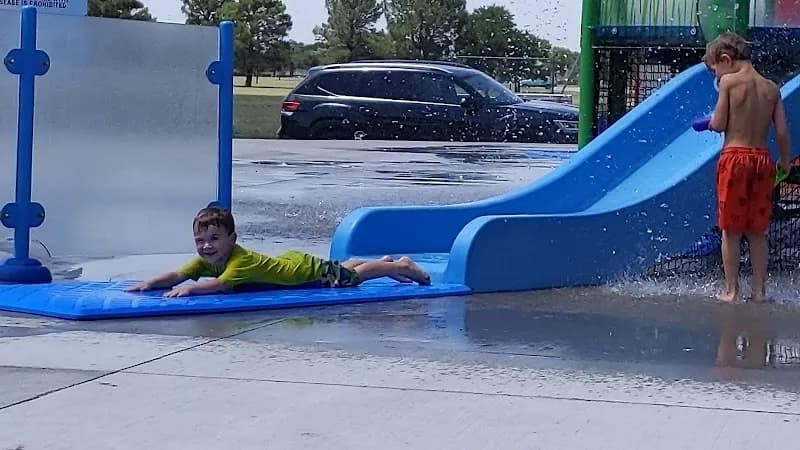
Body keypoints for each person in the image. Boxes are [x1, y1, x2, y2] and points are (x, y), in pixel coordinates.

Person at [126, 206, 431, 298]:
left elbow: (219, 285)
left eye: (215, 239)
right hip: (290, 262)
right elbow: (179, 274)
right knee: (342, 268)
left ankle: (399, 266)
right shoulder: (207, 259)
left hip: (303, 272)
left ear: (233, 239)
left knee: (350, 277)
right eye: (200, 240)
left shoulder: (239, 261)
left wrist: (190, 291)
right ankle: (384, 263)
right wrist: (152, 283)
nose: (207, 246)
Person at [703, 32, 791, 303]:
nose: (716, 78)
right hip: (763, 160)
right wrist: (785, 161)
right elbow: (783, 131)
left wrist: (707, 122)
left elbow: (719, 124)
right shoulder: (771, 88)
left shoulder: (729, 82)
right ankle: (759, 291)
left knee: (731, 229)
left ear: (726, 59)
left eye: (715, 71)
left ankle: (731, 291)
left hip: (735, 159)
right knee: (757, 229)